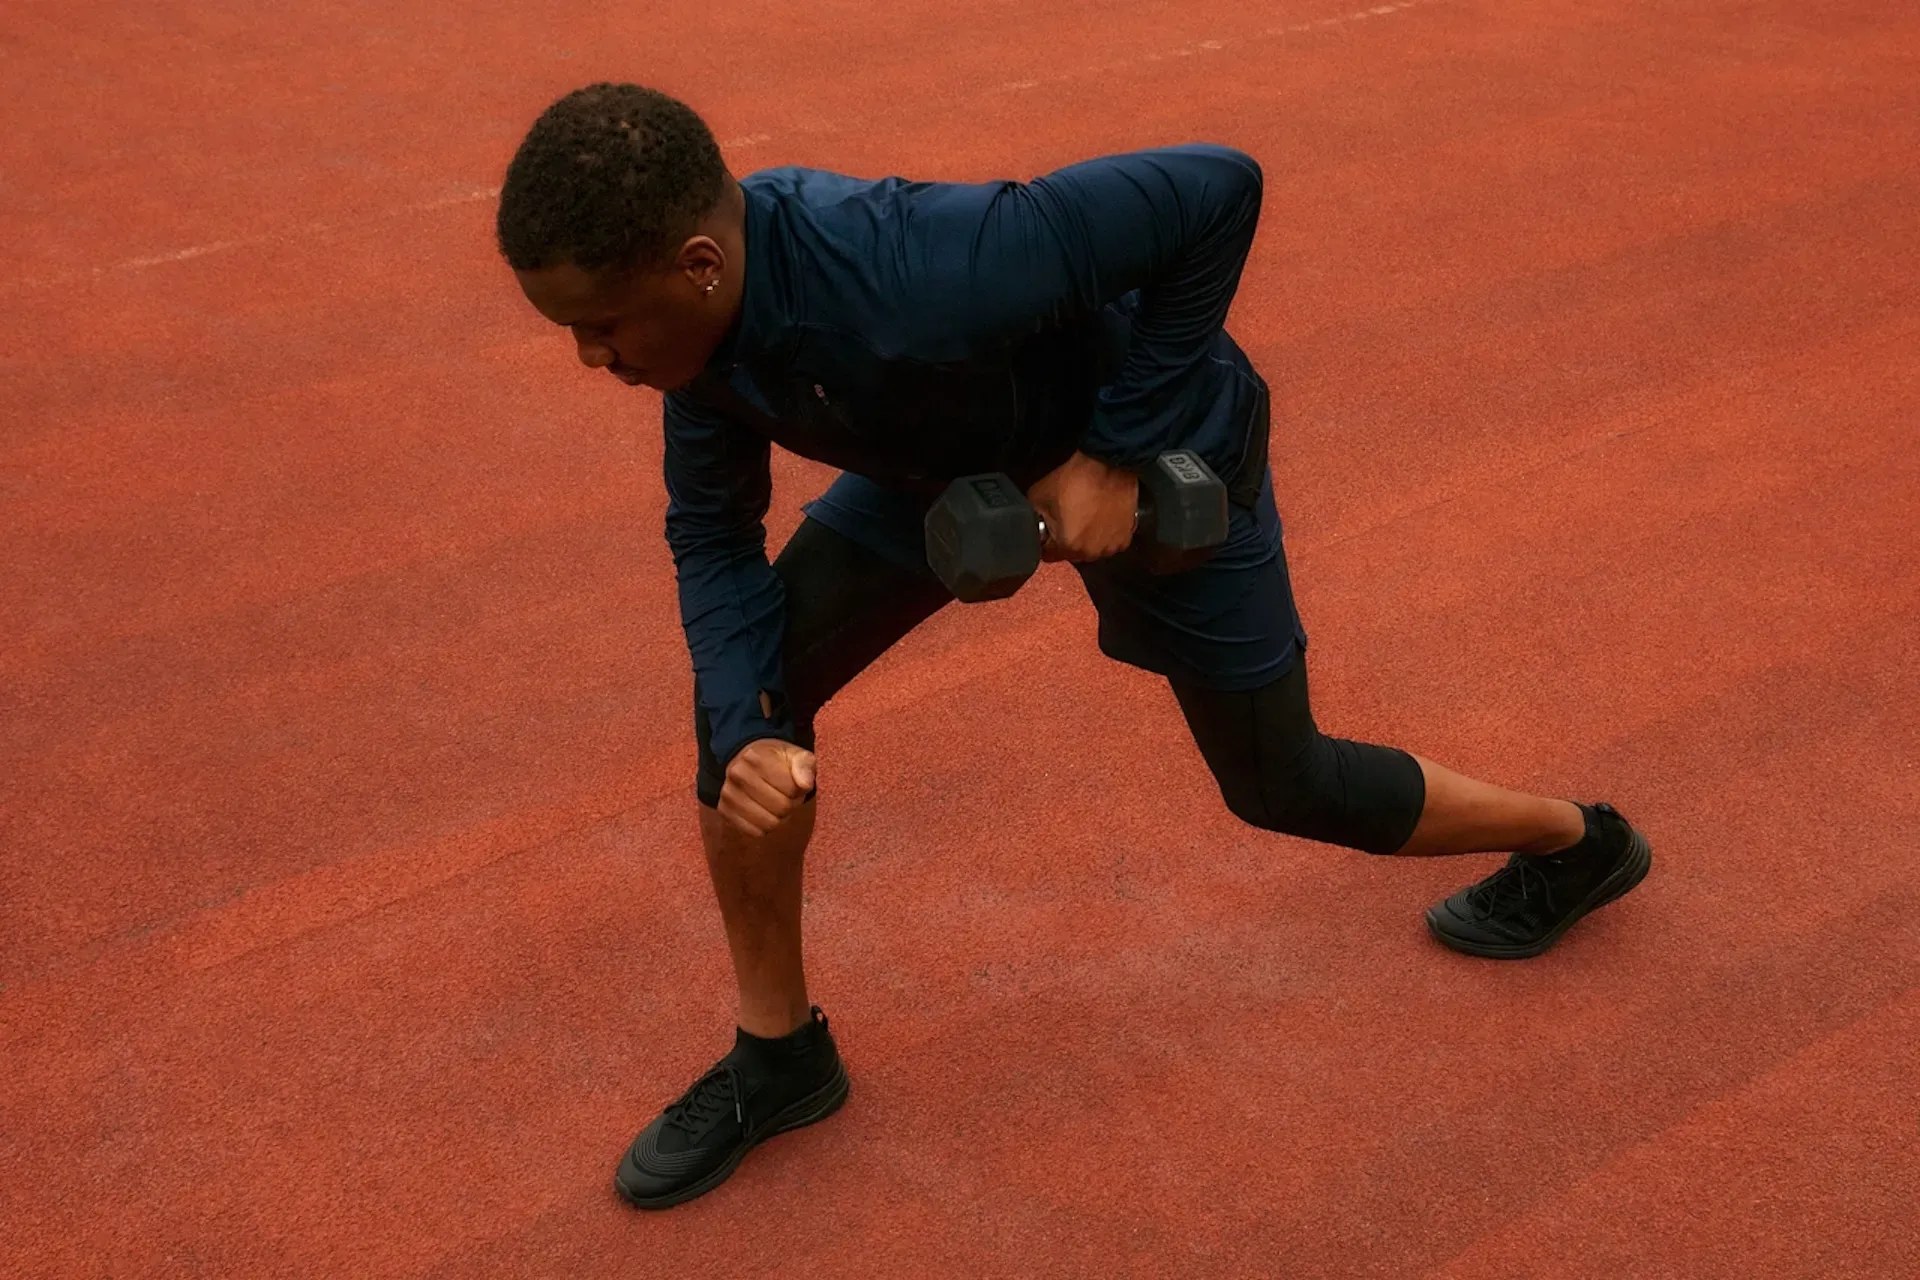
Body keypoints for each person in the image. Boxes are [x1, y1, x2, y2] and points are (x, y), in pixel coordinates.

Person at [495, 82, 1652, 1210]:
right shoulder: (697, 356)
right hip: (945, 466)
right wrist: (749, 728)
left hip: (1165, 465)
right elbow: (709, 534)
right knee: (742, 696)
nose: (593, 361)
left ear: (699, 263)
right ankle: (780, 1053)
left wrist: (1116, 446)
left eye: (600, 326)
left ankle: (1576, 840)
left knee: (1283, 783)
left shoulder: (926, 264)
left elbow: (1216, 189)